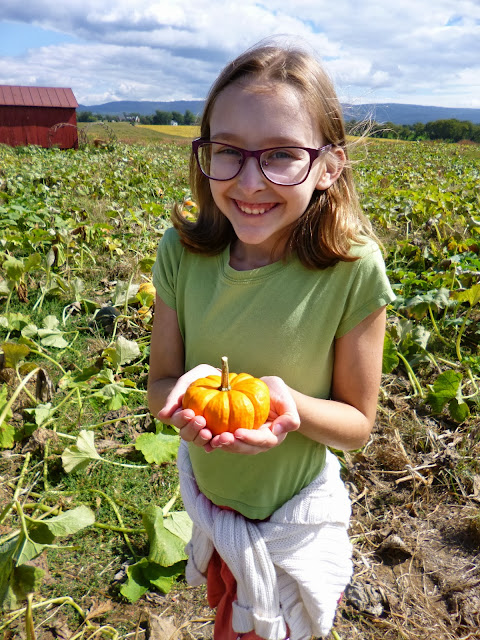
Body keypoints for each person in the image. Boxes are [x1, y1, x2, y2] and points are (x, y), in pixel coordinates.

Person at [147, 39, 395, 640]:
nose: (250, 181)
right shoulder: (181, 253)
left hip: (291, 518)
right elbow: (159, 385)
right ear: (205, 153)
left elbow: (358, 425)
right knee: (227, 609)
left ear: (329, 166)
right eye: (228, 151)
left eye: (282, 155)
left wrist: (290, 404)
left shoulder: (352, 269)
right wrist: (178, 407)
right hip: (212, 505)